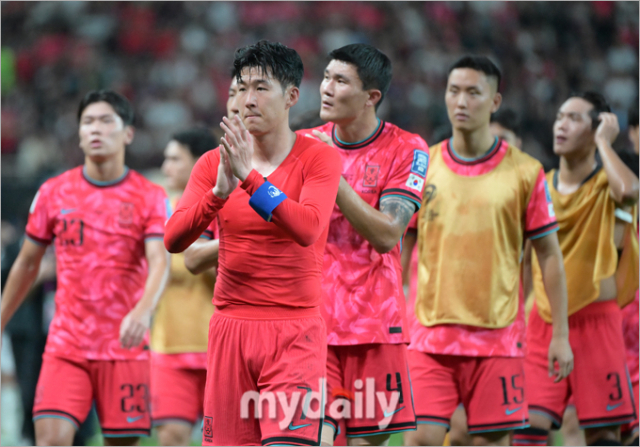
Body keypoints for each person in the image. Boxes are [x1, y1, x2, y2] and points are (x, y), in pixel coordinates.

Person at [164, 40, 342, 446]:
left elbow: (309, 227)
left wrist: (249, 178)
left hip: (295, 332)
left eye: (261, 88)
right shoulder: (213, 163)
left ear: (292, 96)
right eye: (241, 87)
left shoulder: (319, 159)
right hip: (230, 329)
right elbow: (174, 240)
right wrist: (217, 195)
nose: (247, 99)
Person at [403, 56, 573, 447]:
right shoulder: (423, 165)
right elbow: (403, 243)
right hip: (429, 334)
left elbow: (548, 255)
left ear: (494, 102)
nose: (461, 101)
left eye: (473, 92)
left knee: (489, 442)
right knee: (422, 438)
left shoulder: (526, 172)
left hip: (498, 337)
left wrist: (559, 335)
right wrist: (397, 307)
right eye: (453, 91)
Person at [0, 90, 170, 446]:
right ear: (78, 134)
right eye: (88, 121)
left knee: (121, 443)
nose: (96, 129)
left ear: (128, 133)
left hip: (124, 346)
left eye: (106, 120)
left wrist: (143, 310)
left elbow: (159, 260)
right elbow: (28, 263)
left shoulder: (149, 196)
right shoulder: (53, 193)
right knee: (50, 440)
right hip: (66, 344)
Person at [298, 43, 427, 446]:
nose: (325, 88)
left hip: (375, 326)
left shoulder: (407, 148)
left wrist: (330, 174)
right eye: (325, 77)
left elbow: (388, 233)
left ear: (372, 97)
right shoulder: (300, 144)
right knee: (315, 438)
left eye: (340, 81)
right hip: (312, 325)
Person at [513, 92, 639, 446]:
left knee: (603, 436)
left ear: (599, 128)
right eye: (559, 117)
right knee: (526, 428)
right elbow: (527, 259)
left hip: (597, 322)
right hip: (543, 322)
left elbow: (630, 191)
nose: (561, 125)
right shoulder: (539, 184)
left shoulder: (607, 184)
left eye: (574, 118)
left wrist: (604, 145)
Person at [150, 127, 218, 446]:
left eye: (175, 159)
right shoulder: (157, 211)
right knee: (172, 437)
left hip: (219, 348)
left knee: (223, 438)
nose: (166, 169)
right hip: (169, 346)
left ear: (200, 163)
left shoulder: (226, 209)